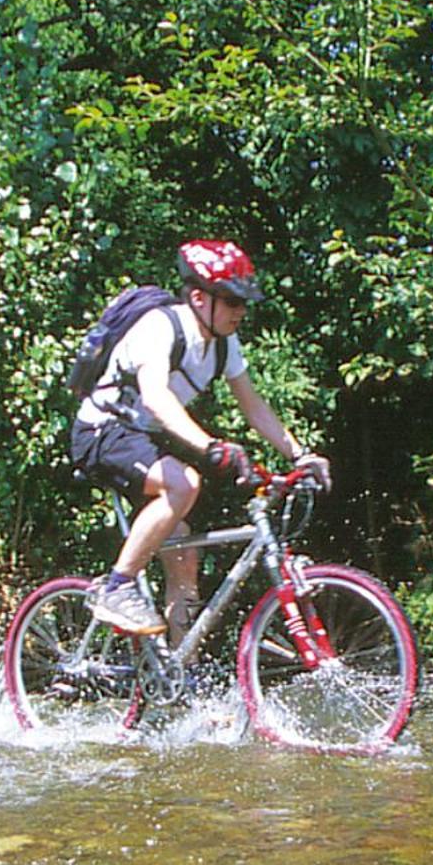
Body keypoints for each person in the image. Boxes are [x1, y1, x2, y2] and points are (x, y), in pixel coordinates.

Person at [70, 239, 331, 637]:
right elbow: (156, 398)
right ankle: (117, 587)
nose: (240, 311)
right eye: (231, 301)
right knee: (184, 482)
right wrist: (211, 446)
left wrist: (301, 455)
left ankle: (178, 678)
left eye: (244, 303)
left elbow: (254, 407)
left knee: (184, 558)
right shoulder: (161, 327)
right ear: (198, 297)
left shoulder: (224, 344)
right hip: (102, 431)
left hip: (141, 439)